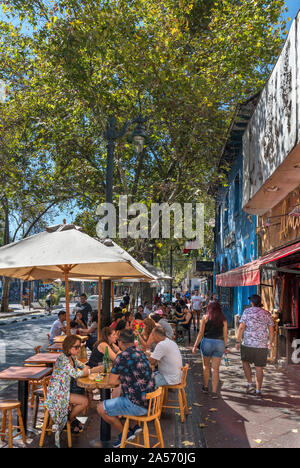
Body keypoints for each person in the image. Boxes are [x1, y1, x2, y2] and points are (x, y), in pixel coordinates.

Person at [97, 329, 156, 448]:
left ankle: (125, 432)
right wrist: (127, 378)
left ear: (120, 342)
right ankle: (134, 427)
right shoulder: (141, 352)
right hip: (152, 403)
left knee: (100, 408)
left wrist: (123, 378)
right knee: (126, 393)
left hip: (138, 406)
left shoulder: (122, 357)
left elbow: (112, 381)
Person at [45, 335, 102, 447]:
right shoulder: (63, 359)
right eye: (76, 347)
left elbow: (83, 366)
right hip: (57, 393)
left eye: (80, 346)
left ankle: (69, 420)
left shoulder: (72, 358)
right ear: (68, 347)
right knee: (84, 401)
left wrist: (89, 369)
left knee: (85, 401)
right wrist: (91, 370)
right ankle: (69, 420)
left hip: (64, 390)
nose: (79, 349)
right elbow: (77, 373)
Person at [236, 294, 275, 397]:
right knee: (259, 367)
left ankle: (250, 383)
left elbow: (241, 328)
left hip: (248, 344)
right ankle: (258, 390)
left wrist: (237, 341)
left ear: (252, 302)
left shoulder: (247, 312)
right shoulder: (267, 313)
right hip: (262, 345)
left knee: (245, 362)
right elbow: (271, 330)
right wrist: (270, 343)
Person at [192, 301, 228, 399]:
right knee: (215, 369)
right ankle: (214, 392)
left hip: (207, 342)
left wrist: (195, 346)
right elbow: (225, 335)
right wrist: (226, 347)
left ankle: (206, 387)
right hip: (219, 344)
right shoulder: (223, 319)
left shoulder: (205, 317)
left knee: (206, 367)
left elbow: (200, 333)